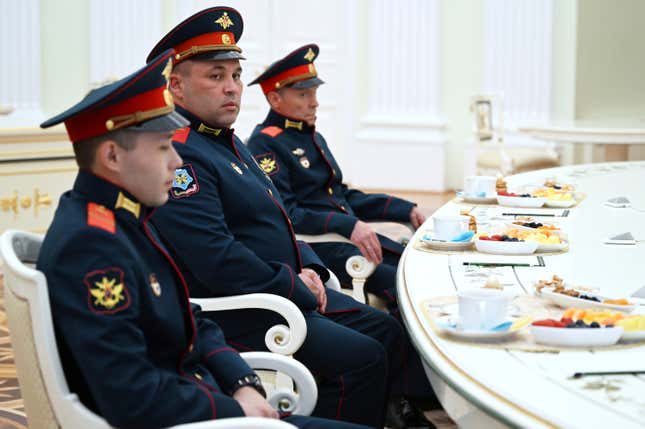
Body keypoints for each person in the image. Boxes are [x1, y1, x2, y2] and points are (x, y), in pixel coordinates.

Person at [37, 49, 365, 429]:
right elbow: (132, 396)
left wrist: (242, 382)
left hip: (212, 399)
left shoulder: (122, 217)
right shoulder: (92, 246)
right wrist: (237, 411)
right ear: (111, 156)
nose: (177, 161)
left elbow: (189, 316)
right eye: (163, 147)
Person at [146, 7, 433, 428]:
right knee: (363, 357)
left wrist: (313, 266)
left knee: (385, 328)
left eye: (235, 76)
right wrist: (293, 284)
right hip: (246, 309)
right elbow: (215, 256)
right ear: (177, 86)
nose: (231, 88)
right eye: (215, 76)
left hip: (283, 288)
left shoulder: (227, 143)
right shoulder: (184, 154)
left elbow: (276, 222)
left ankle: (394, 412)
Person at [246, 44, 427, 316]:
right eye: (303, 94)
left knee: (418, 265)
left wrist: (405, 209)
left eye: (315, 93)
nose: (314, 102)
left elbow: (339, 195)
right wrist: (347, 224)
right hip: (321, 247)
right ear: (274, 100)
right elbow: (287, 214)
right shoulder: (265, 143)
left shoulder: (312, 137)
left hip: (346, 240)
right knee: (405, 283)